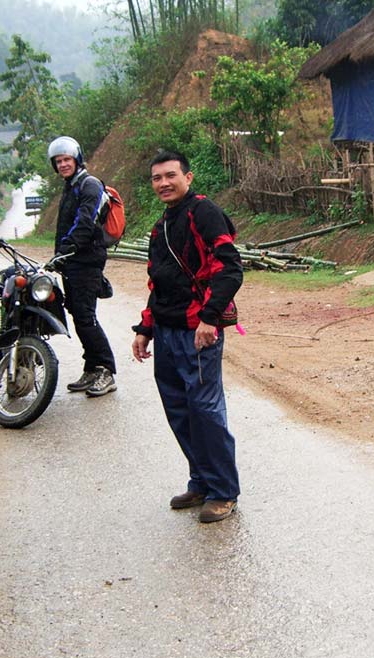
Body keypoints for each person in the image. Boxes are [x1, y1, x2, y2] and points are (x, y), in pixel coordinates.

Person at [132, 150, 243, 524]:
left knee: (206, 411)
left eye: (170, 175)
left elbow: (229, 268)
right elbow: (157, 283)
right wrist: (145, 329)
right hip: (166, 332)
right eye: (156, 178)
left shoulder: (204, 213)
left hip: (198, 332)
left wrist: (210, 319)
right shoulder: (159, 225)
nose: (163, 183)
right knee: (179, 410)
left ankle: (223, 491)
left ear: (188, 177)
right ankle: (201, 481)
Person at [48, 136, 117, 397]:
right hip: (73, 261)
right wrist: (61, 255)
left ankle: (107, 371)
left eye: (66, 159)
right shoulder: (71, 186)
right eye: (58, 161)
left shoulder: (89, 185)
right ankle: (91, 367)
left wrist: (65, 251)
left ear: (77, 159)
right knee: (79, 315)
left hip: (86, 260)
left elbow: (85, 223)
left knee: (86, 317)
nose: (63, 164)